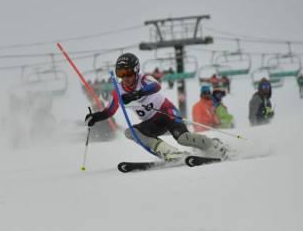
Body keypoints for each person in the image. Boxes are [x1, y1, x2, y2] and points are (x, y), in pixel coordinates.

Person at [84, 53, 227, 161]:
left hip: (167, 113)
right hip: (153, 122)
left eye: (127, 72)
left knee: (183, 138)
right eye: (120, 73)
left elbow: (156, 86)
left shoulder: (144, 79)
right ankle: (169, 152)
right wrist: (95, 117)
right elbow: (109, 111)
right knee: (131, 132)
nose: (125, 77)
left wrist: (136, 94)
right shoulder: (118, 91)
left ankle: (213, 144)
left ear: (136, 70)